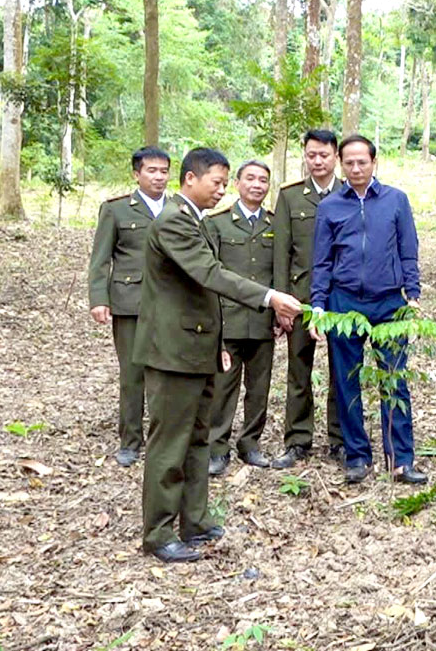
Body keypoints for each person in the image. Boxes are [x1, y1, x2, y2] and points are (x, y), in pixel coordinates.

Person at [134, 148, 303, 562]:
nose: (222, 190)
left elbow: (204, 292)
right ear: (190, 179)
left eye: (226, 183)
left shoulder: (194, 220)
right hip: (173, 352)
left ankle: (194, 519)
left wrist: (216, 345)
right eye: (217, 182)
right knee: (169, 444)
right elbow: (210, 275)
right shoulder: (175, 222)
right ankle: (158, 533)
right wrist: (270, 296)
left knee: (197, 439)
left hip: (197, 347)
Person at [308, 134, 427, 485]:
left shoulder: (395, 201)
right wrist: (318, 304)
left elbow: (408, 250)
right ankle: (357, 455)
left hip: (389, 302)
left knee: (394, 379)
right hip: (343, 303)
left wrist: (413, 294)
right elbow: (322, 261)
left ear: (375, 162)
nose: (356, 168)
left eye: (363, 161)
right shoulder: (330, 206)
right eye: (349, 162)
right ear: (341, 165)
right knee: (347, 382)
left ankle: (401, 459)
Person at [88, 146, 170, 467]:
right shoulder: (117, 210)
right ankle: (130, 441)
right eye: (151, 170)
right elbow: (100, 260)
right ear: (137, 174)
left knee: (165, 373)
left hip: (170, 304)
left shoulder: (178, 208)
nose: (158, 177)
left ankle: (162, 439)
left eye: (164, 171)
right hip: (129, 303)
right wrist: (99, 299)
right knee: (132, 374)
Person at [271, 130, 346, 469]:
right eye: (312, 155)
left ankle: (341, 439)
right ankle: (297, 440)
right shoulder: (290, 197)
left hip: (341, 298)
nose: (318, 161)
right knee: (298, 371)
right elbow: (281, 253)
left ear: (335, 157)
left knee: (342, 371)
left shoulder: (349, 193)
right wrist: (280, 303)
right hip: (299, 298)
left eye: (324, 155)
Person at [203, 160, 278, 475]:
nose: (257, 185)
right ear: (237, 183)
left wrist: (278, 313)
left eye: (263, 180)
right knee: (223, 388)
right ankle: (217, 448)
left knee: (259, 388)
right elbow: (208, 273)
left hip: (262, 320)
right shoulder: (217, 223)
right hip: (228, 321)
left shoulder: (276, 224)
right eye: (250, 178)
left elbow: (279, 273)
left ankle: (250, 444)